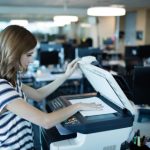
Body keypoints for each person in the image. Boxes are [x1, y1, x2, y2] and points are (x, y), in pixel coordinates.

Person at [0, 25, 102, 149]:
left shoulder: (12, 80)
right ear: (13, 53)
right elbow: (46, 121)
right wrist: (77, 106)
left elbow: (38, 95)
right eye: (28, 55)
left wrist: (66, 75)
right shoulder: (2, 88)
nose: (31, 60)